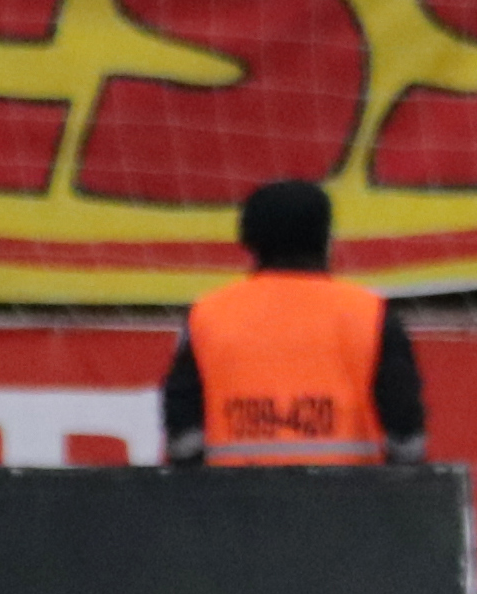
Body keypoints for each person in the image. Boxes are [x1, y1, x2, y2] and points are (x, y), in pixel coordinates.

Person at [160, 181, 425, 467]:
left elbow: (182, 422)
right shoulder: (370, 312)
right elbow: (403, 421)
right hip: (346, 499)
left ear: (247, 238)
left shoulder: (208, 314)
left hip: (236, 499)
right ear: (326, 236)